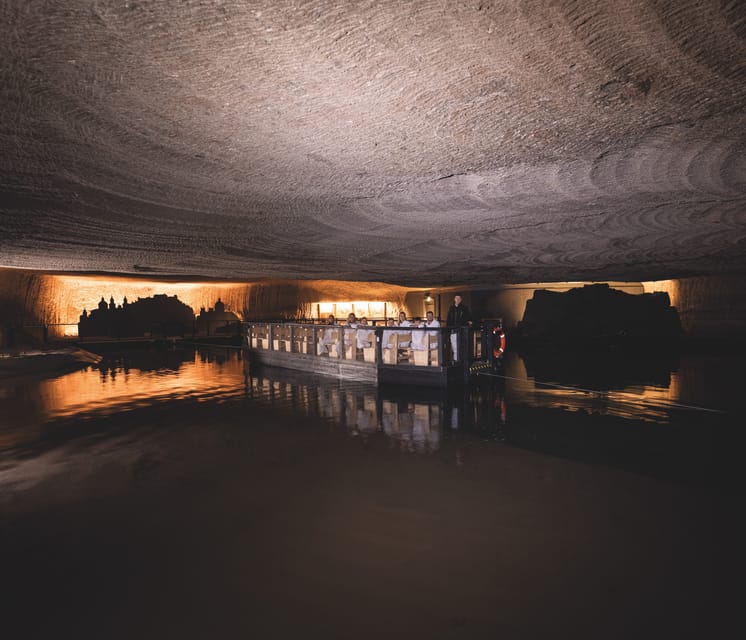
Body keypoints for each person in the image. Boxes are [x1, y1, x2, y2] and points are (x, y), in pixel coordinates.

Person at [446, 294, 472, 362]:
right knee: (454, 345)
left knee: (461, 345)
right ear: (454, 299)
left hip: (461, 330)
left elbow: (468, 318)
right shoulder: (451, 308)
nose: (457, 300)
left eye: (459, 298)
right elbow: (448, 319)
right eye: (456, 298)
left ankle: (461, 360)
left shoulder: (464, 308)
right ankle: (456, 360)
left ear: (461, 300)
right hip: (453, 330)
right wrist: (448, 329)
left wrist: (468, 323)